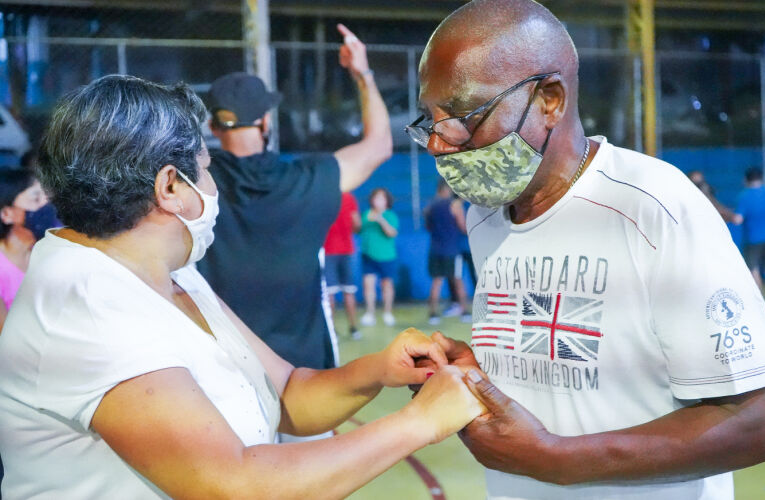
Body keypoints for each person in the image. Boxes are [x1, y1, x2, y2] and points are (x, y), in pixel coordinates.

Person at [0, 74, 484, 499]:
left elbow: (289, 395)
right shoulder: (84, 303)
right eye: (205, 170)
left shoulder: (171, 273)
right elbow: (232, 486)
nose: (211, 186)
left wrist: (381, 368)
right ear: (170, 187)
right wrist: (419, 423)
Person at [407, 1, 765, 498]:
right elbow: (565, 358)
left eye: (461, 115)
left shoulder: (654, 209)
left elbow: (760, 423)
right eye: (430, 121)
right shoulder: (486, 213)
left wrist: (556, 459)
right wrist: (480, 372)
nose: (439, 143)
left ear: (550, 100)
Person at [197, 24, 392, 376]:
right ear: (266, 121)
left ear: (214, 127)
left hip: (223, 373)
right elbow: (379, 145)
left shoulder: (195, 185)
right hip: (302, 374)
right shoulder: (307, 178)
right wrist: (362, 74)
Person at [0, 169, 48, 329]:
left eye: (46, 195)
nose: (46, 203)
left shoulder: (44, 251)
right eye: (36, 197)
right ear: (7, 214)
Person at [734, 167, 765, 313]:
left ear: (746, 179)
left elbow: (738, 219)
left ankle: (759, 302)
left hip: (753, 238)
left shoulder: (744, 196)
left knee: (753, 269)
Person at [424, 178, 471, 325]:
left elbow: (428, 227)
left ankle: (433, 314)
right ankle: (464, 312)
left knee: (436, 282)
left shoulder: (429, 207)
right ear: (448, 190)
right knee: (458, 281)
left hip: (435, 249)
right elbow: (463, 227)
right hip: (452, 250)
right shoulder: (455, 206)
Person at [324, 191, 363, 338]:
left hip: (328, 251)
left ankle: (332, 330)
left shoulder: (323, 197)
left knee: (330, 293)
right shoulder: (349, 197)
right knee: (349, 291)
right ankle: (354, 328)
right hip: (346, 251)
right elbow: (357, 224)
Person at [358, 187, 399, 327]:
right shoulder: (366, 215)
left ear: (387, 201)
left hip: (387, 256)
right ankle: (370, 313)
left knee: (387, 285)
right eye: (376, 198)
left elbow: (392, 233)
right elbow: (358, 229)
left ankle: (387, 312)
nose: (378, 201)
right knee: (368, 285)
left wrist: (380, 220)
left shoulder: (390, 215)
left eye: (381, 198)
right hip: (368, 255)